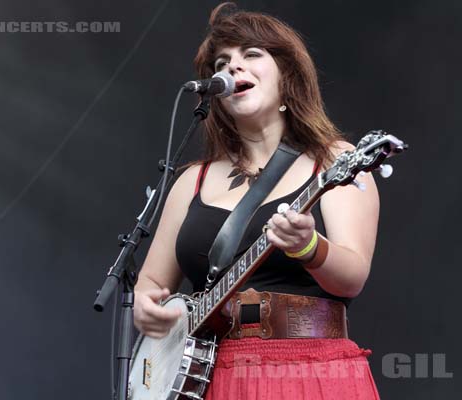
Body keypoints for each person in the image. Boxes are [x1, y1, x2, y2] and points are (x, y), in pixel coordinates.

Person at [133, 3, 381, 399]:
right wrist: (144, 307)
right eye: (222, 61)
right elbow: (152, 283)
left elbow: (352, 277)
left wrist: (310, 247)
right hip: (212, 378)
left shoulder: (334, 161)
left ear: (288, 75)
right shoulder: (190, 181)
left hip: (308, 371)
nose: (233, 68)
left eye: (251, 55)